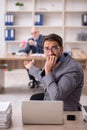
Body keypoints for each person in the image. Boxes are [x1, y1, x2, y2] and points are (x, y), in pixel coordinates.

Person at [24, 33, 84, 111]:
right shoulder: (54, 61)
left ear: (61, 49)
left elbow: (57, 97)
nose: (50, 52)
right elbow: (44, 78)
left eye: (54, 48)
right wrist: (31, 68)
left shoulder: (73, 69)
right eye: (47, 48)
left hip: (63, 111)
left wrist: (48, 70)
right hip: (49, 102)